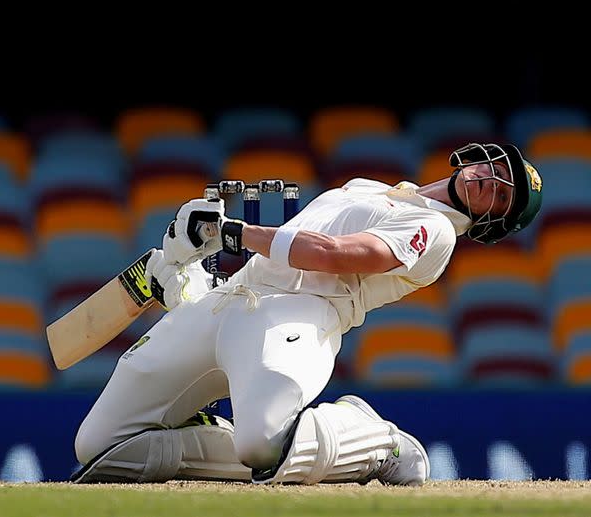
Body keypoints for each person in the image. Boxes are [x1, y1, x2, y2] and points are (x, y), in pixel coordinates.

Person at [72, 142, 543, 486]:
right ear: (479, 157)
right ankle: (199, 427)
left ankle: (376, 439)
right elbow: (276, 256)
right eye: (497, 169)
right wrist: (189, 269)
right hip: (234, 297)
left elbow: (335, 255)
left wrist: (230, 233)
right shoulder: (371, 189)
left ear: (491, 222)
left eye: (502, 197)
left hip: (300, 315)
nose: (491, 182)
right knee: (99, 447)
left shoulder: (435, 230)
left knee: (259, 444)